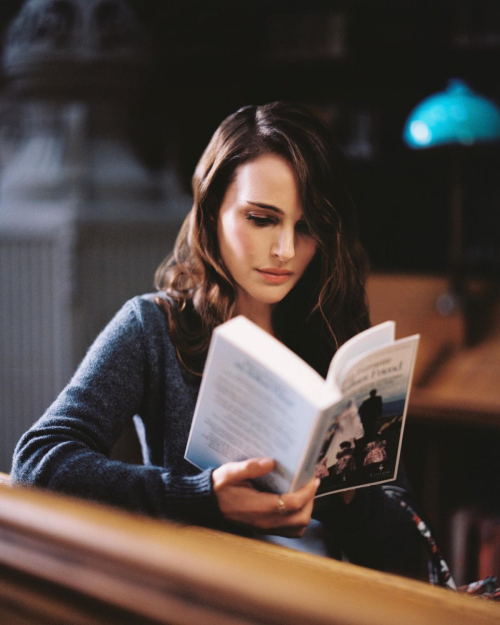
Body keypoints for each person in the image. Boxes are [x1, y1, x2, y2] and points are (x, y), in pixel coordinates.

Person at [11, 102, 421, 574]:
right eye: (262, 219)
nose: (284, 250)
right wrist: (202, 497)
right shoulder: (154, 326)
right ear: (212, 211)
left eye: (306, 227)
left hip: (333, 598)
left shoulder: (335, 333)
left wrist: (353, 497)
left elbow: (408, 554)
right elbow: (39, 462)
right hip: (212, 595)